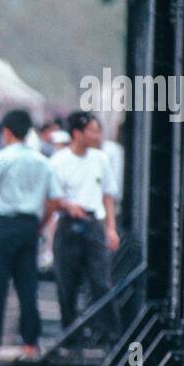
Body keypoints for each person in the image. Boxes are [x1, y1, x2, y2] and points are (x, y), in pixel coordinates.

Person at [0, 109, 55, 358]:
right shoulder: (42, 161)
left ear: (6, 132)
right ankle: (30, 343)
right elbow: (53, 199)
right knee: (28, 286)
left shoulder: (1, 158)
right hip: (30, 226)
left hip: (2, 225)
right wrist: (41, 223)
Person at [48, 110, 122, 345]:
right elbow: (52, 197)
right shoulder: (58, 161)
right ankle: (71, 335)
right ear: (77, 133)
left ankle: (109, 334)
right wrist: (68, 206)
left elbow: (108, 196)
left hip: (93, 225)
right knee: (67, 284)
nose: (97, 135)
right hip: (68, 224)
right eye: (93, 130)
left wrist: (111, 228)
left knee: (101, 281)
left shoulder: (100, 159)